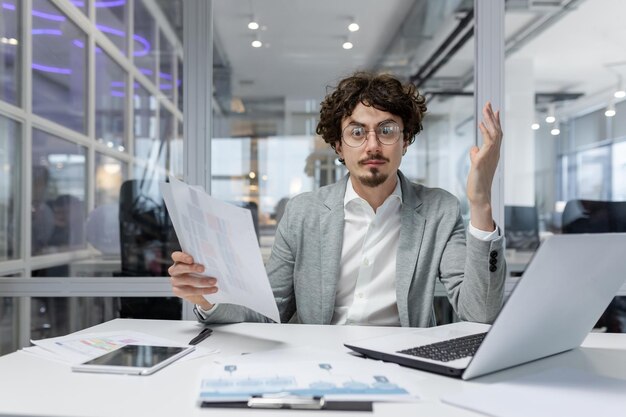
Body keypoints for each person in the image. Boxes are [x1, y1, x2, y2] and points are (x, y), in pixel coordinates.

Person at [169, 71, 505, 327]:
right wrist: (207, 298)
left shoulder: (439, 210)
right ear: (338, 147)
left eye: (387, 130)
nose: (372, 145)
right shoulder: (302, 212)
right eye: (357, 132)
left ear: (406, 140)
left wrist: (481, 202)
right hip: (317, 364)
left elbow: (479, 313)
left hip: (405, 366)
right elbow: (269, 312)